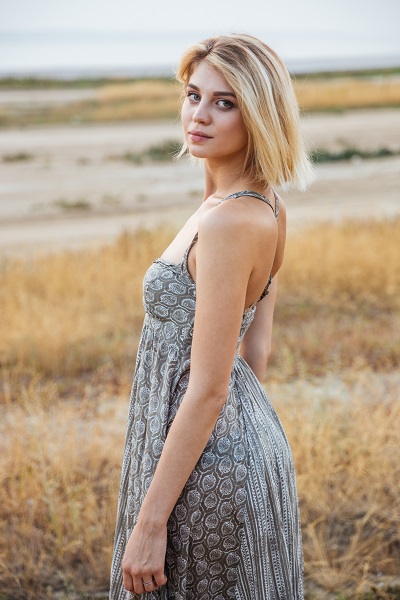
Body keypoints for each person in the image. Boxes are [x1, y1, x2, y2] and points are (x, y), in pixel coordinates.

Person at [110, 33, 314, 599]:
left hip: (205, 467)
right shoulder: (256, 201)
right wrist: (243, 443)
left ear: (260, 115)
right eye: (192, 95)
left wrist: (151, 523)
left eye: (225, 103)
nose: (198, 115)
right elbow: (257, 352)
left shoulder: (231, 223)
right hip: (227, 448)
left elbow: (210, 387)